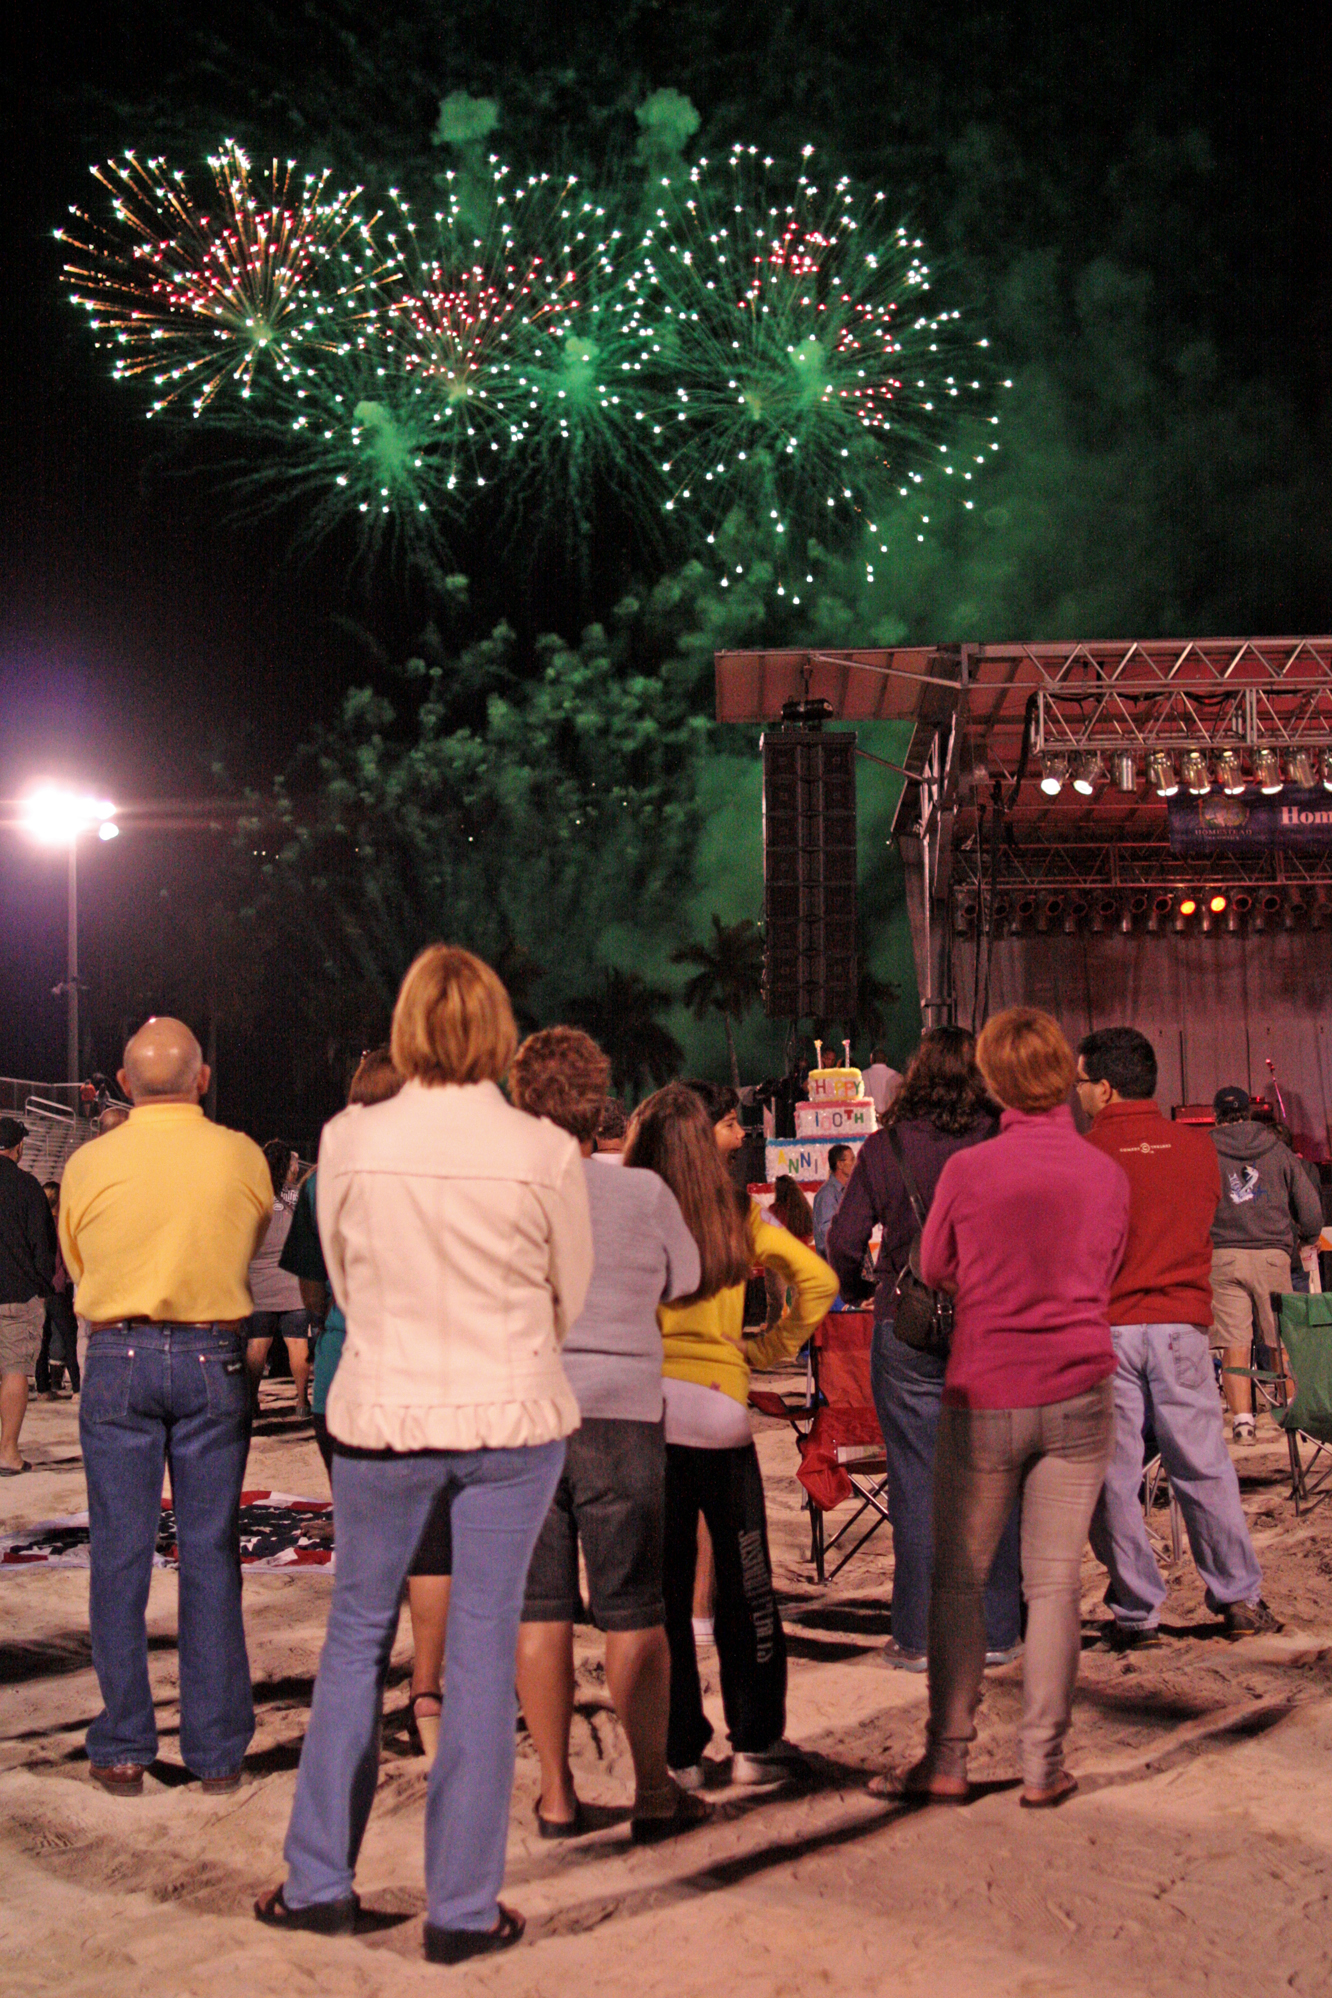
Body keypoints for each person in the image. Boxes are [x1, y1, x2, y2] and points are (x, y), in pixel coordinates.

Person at [258, 946, 593, 1966]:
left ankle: (319, 1880)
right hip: (510, 1418)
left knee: (356, 1639)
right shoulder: (543, 1148)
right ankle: (461, 1908)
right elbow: (566, 1293)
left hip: (385, 1414)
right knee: (486, 1652)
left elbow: (347, 1288)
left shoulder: (349, 1140)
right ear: (496, 1031)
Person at [883, 1007, 1128, 1809]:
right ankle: (1042, 1763)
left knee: (960, 1578)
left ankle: (948, 1756)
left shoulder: (970, 1171)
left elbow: (932, 1264)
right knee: (1054, 1584)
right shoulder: (1104, 1173)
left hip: (985, 1389)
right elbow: (1110, 1270)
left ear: (993, 1081)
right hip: (1081, 1386)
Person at [58, 1017, 273, 1794]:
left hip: (118, 1353)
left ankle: (122, 1743)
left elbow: (75, 1257)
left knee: (119, 1554)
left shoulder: (89, 1162)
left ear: (122, 1082)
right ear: (202, 1078)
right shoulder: (241, 1153)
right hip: (212, 1353)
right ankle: (216, 1751)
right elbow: (248, 1239)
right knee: (210, 1555)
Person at [509, 1027, 709, 1842]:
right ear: (599, 1104)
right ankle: (654, 1790)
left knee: (540, 1610)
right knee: (634, 1609)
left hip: (524, 1416)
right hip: (623, 1412)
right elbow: (688, 1278)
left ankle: (558, 1795)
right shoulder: (642, 1194)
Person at [629, 1083, 838, 1788]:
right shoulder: (735, 1212)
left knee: (664, 1592)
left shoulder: (630, 1211)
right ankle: (754, 1742)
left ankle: (681, 1753)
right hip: (721, 1411)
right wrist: (767, 1350)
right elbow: (817, 1280)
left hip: (647, 1411)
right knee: (748, 1585)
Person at [278, 1048, 454, 1760]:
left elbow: (311, 1288)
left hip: (346, 1377)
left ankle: (357, 1696)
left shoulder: (324, 1184)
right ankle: (429, 1694)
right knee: (434, 1547)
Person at [827, 1029, 1021, 1672]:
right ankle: (995, 1632)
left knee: (914, 1480)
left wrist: (865, 1289)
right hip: (993, 1321)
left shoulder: (884, 1149)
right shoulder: (1002, 1138)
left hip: (907, 1323)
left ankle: (915, 1637)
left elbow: (844, 1241)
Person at [1077, 1029, 1279, 1646]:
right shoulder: (1196, 1151)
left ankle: (1138, 1609)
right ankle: (1238, 1597)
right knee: (1203, 1466)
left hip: (1109, 1330)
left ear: (1105, 1087)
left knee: (1112, 1474)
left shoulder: (1085, 1155)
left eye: (1082, 1082)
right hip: (1182, 1329)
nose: (1078, 1094)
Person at [1209, 1085, 1323, 1442]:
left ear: (1216, 1115)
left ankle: (1244, 1421)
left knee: (1234, 1341)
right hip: (1273, 1255)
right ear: (1251, 1112)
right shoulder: (1277, 1148)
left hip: (1224, 1255)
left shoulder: (1204, 1148)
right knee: (1279, 1341)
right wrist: (1307, 1235)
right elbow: (1310, 1209)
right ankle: (1291, 1411)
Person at [0, 1115, 57, 1475]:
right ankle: (7, 1453)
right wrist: (42, 1284)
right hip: (18, 1294)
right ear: (18, 1146)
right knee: (15, 1370)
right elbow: (43, 1244)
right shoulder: (27, 1186)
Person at [245, 1140, 313, 1416]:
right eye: (294, 1163)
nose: (297, 1168)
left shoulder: (254, 1195)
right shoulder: (300, 1196)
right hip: (294, 1283)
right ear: (287, 1166)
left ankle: (251, 1402)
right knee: (298, 1342)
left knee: (258, 1344)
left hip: (259, 1282)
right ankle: (301, 1402)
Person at [35, 1181, 81, 1398]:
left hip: (40, 1290)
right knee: (69, 1336)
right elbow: (66, 1259)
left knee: (43, 1340)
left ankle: (44, 1388)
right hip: (58, 1289)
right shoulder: (61, 1227)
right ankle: (77, 1387)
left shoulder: (37, 1225)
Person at [811, 1144, 854, 1256]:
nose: (856, 1163)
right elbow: (829, 1233)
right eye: (852, 1159)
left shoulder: (845, 1191)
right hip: (836, 1264)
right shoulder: (827, 1195)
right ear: (840, 1164)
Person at [862, 1047, 903, 1121]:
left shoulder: (862, 1076)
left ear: (871, 1060)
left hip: (868, 1120)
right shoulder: (897, 1076)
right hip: (890, 1120)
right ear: (886, 1060)